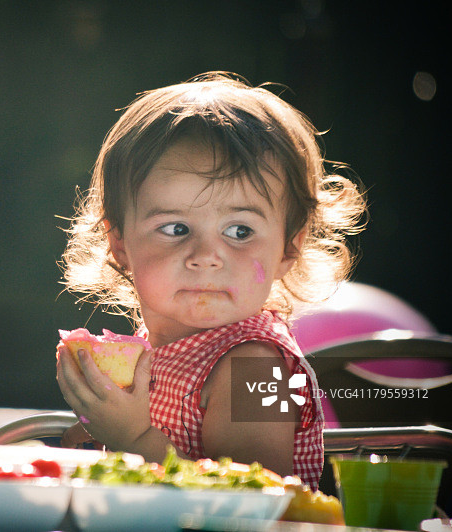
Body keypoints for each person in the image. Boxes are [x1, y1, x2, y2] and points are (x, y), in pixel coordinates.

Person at [55, 71, 366, 490]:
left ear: (289, 248)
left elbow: (253, 497)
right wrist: (102, 436)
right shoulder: (152, 350)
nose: (205, 257)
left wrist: (132, 437)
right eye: (175, 228)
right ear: (120, 243)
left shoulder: (254, 367)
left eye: (239, 231)